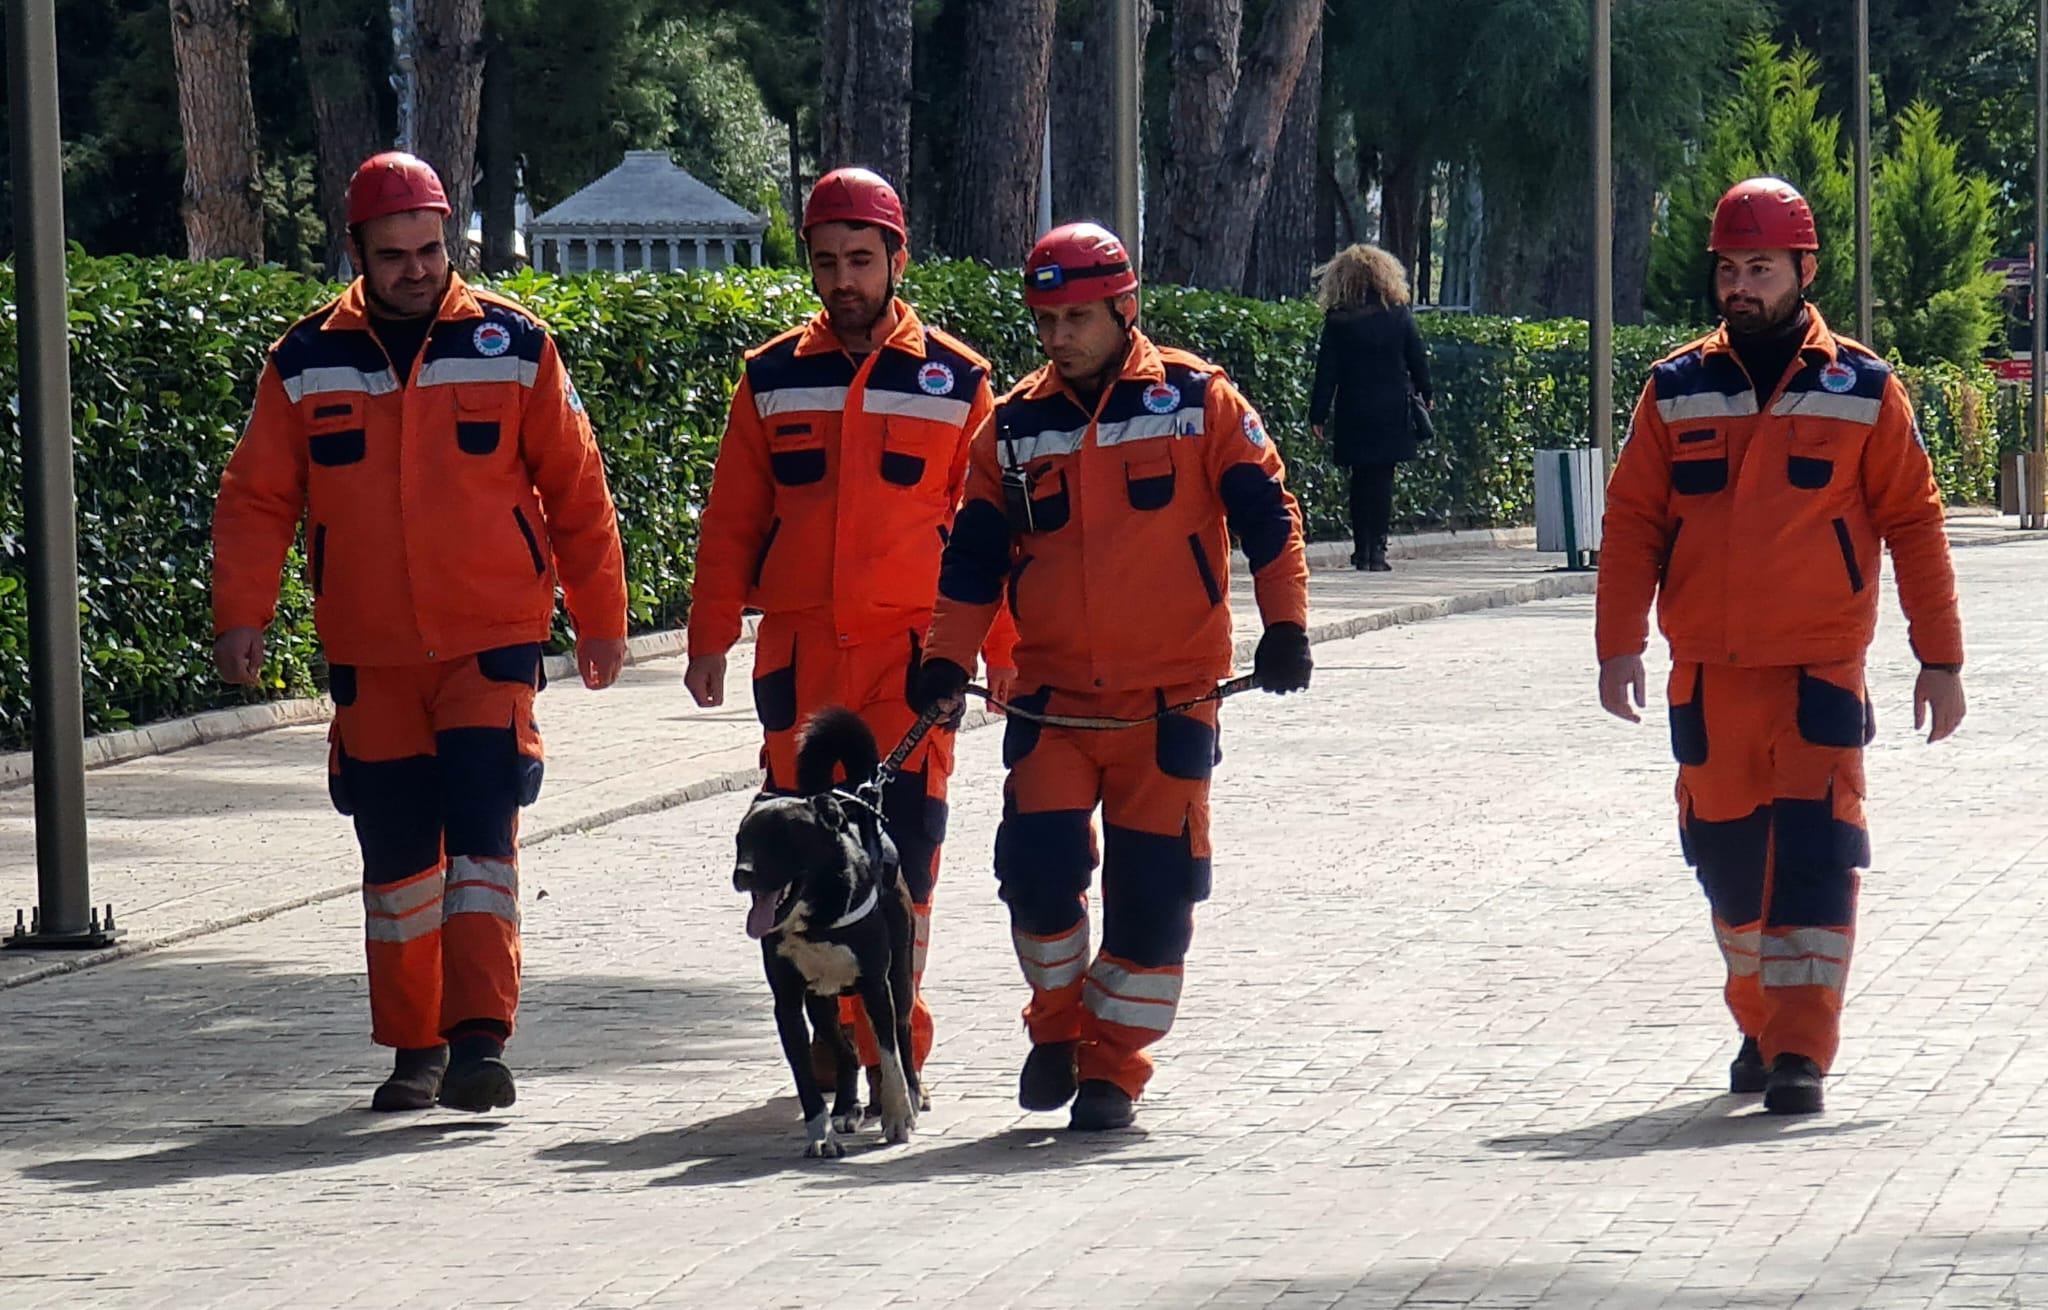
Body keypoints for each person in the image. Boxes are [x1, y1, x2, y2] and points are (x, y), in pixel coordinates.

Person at [212, 151, 629, 1113]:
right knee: (397, 860)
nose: (415, 268)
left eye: (430, 249)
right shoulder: (304, 360)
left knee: (482, 842)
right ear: (356, 251)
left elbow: (576, 490)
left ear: (451, 244)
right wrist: (242, 615)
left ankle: (479, 1040)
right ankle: (414, 1049)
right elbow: (257, 500)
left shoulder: (515, 346)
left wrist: (601, 620)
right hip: (371, 653)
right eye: (393, 253)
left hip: (491, 640)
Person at [912, 222, 1313, 1132]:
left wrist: (1286, 627)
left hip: (1172, 703)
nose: (1057, 337)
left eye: (1077, 318)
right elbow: (972, 561)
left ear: (1124, 308)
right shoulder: (1009, 429)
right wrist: (946, 656)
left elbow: (1269, 515)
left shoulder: (1199, 399)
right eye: (1045, 319)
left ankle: (1112, 1070)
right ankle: (1055, 1026)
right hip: (1053, 704)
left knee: (1156, 901)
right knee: (1036, 878)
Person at [1595, 176, 1966, 1115]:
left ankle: (1801, 1049)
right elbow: (1634, 519)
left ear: (1803, 270)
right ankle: (1759, 1024)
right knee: (1724, 864)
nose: (1741, 286)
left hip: (1818, 671)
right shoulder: (1677, 387)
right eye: (1729, 268)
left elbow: (1916, 526)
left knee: (1814, 854)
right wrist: (1617, 644)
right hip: (1709, 677)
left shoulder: (1866, 386)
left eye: (1760, 268)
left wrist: (1942, 658)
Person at [684, 166, 1016, 1097]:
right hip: (798, 666)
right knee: (799, 866)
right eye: (827, 261)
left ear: (897, 259)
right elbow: (733, 519)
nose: (844, 279)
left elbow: (992, 533)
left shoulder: (959, 382)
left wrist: (1004, 656)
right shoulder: (773, 375)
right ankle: (829, 1044)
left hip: (912, 666)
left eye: (861, 260)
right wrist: (710, 634)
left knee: (904, 863)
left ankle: (889, 1051)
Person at [1308, 244, 1432, 572]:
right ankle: (1377, 549)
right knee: (1382, 478)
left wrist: (1317, 413)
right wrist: (1427, 392)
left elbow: (1327, 370)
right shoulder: (1398, 313)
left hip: (1354, 406)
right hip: (1392, 406)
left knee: (1360, 478)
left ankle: (1361, 547)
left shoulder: (1339, 319)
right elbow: (1416, 357)